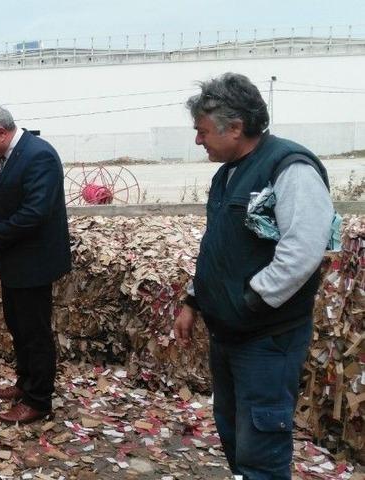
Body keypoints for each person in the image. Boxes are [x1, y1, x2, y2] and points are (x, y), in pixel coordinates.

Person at [174, 73, 334, 479]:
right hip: (229, 334)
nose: (198, 141)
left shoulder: (290, 168)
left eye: (203, 131)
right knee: (233, 432)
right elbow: (219, 248)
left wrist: (251, 302)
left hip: (266, 338)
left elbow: (303, 251)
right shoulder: (228, 173)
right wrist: (194, 300)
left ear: (236, 128)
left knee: (262, 443)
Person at [0, 103, 71, 424]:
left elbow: (35, 213)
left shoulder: (39, 156)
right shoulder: (7, 157)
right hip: (15, 263)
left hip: (33, 263)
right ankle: (25, 383)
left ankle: (39, 400)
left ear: (2, 134)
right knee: (18, 327)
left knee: (34, 332)